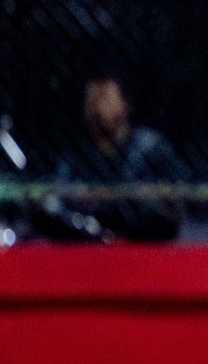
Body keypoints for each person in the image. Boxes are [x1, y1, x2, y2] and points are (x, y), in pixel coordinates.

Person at [51, 75, 188, 241]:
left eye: (107, 98)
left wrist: (129, 196)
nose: (100, 106)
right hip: (90, 243)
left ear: (125, 104)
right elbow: (59, 199)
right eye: (95, 99)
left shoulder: (151, 147)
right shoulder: (77, 155)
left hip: (144, 243)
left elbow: (174, 200)